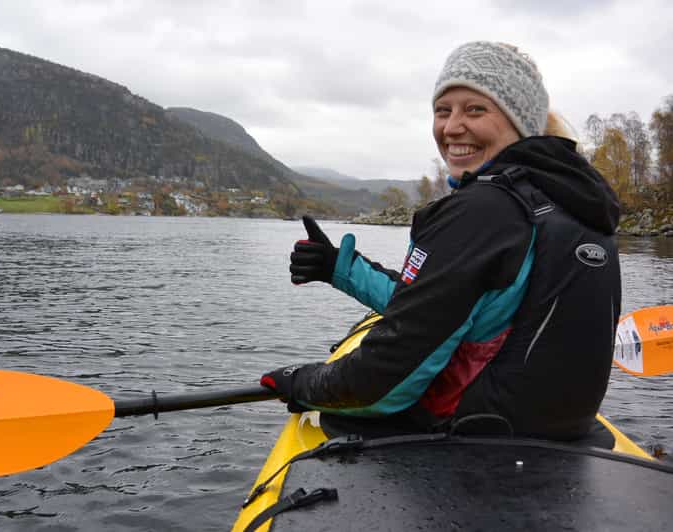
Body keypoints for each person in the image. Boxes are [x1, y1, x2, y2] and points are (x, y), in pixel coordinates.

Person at [260, 41, 622, 440]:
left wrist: (303, 382)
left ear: (520, 121)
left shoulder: (484, 210)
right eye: (442, 110)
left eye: (475, 109)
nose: (451, 127)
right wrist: (342, 269)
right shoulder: (572, 202)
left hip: (473, 444)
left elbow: (383, 383)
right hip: (559, 437)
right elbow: (449, 308)